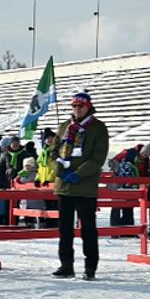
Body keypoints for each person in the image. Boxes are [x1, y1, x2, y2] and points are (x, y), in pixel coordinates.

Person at [53, 92, 109, 280]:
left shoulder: (98, 128)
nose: (77, 109)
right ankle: (66, 264)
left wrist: (79, 174)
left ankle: (90, 266)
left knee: (88, 229)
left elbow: (98, 157)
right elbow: (52, 152)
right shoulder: (64, 127)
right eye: (74, 106)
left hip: (85, 186)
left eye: (81, 106)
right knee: (65, 229)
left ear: (89, 107)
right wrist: (58, 169)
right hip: (64, 186)